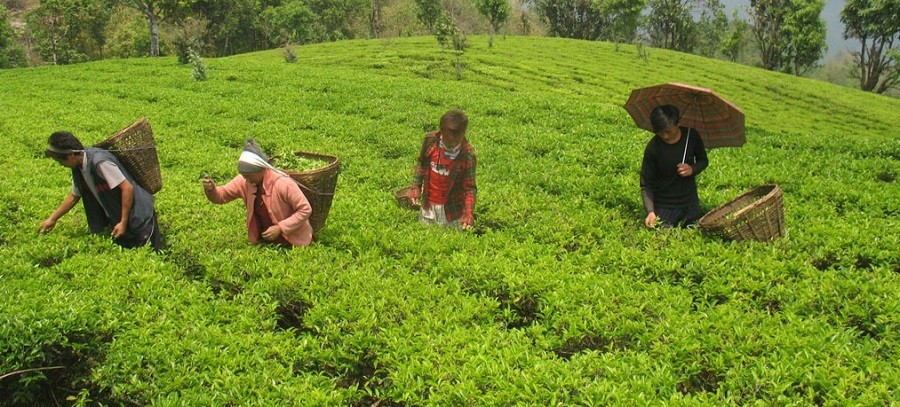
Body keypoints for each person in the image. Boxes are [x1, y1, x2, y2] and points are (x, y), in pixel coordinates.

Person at [40, 131, 164, 250]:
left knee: (150, 253)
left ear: (71, 155)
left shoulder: (100, 161)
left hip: (138, 217)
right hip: (119, 218)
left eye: (61, 161)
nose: (61, 164)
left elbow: (127, 188)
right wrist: (52, 219)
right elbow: (74, 196)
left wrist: (123, 222)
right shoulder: (78, 168)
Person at [202, 139, 313, 247]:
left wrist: (280, 228)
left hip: (292, 240)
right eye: (243, 175)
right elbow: (221, 196)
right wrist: (212, 189)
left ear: (262, 170)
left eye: (248, 176)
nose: (245, 179)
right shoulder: (244, 181)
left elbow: (305, 209)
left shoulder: (283, 183)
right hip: (263, 241)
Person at [640, 104, 709, 228]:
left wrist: (692, 169)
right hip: (665, 205)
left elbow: (703, 160)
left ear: (677, 124)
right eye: (660, 133)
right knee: (663, 233)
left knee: (694, 230)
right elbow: (646, 184)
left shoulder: (691, 136)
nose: (665, 136)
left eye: (669, 131)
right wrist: (650, 211)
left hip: (690, 203)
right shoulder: (653, 147)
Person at [408, 109, 477, 230]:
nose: (451, 144)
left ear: (463, 133)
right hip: (428, 206)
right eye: (448, 140)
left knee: (450, 237)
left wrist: (468, 214)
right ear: (441, 131)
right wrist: (415, 187)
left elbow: (470, 188)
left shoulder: (467, 154)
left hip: (452, 211)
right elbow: (422, 163)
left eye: (456, 141)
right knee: (425, 235)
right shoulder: (430, 141)